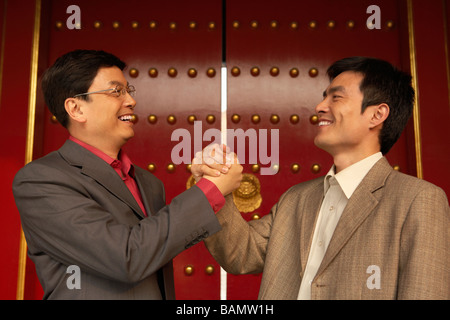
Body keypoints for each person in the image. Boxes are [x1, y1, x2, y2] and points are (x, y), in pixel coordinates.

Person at [192, 57, 450, 299]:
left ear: (377, 115)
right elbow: (241, 254)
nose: (319, 107)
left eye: (336, 98)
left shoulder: (419, 200)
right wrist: (214, 185)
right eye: (324, 97)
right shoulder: (296, 198)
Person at [12, 49, 242, 300]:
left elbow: (155, 253)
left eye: (128, 90)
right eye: (115, 92)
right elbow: (126, 258)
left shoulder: (149, 183)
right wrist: (210, 190)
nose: (131, 101)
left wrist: (207, 183)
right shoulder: (41, 180)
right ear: (76, 108)